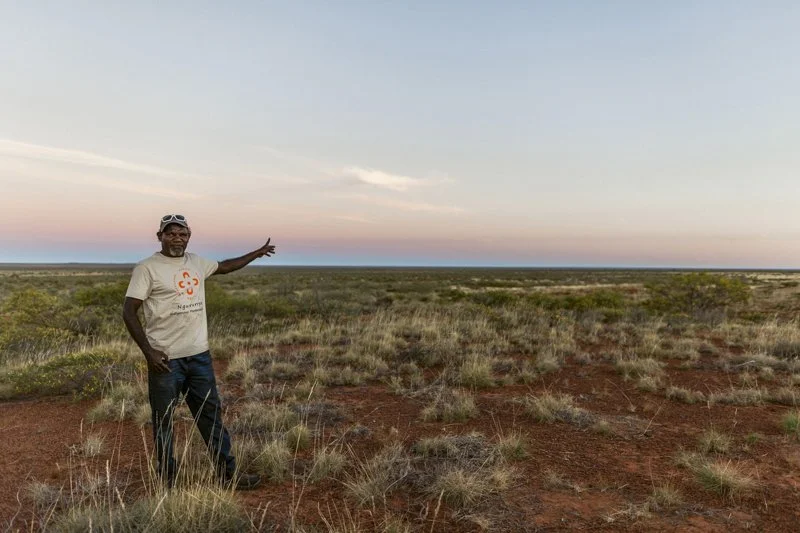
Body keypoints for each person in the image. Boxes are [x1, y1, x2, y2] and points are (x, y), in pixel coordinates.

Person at [122, 214, 276, 490]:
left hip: (199, 357)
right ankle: (167, 482)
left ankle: (228, 475)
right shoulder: (147, 268)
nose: (177, 239)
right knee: (164, 421)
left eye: (182, 234)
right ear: (160, 236)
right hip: (165, 361)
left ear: (189, 237)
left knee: (210, 416)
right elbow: (129, 311)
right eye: (171, 234)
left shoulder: (196, 262)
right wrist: (149, 352)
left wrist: (257, 253)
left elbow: (226, 266)